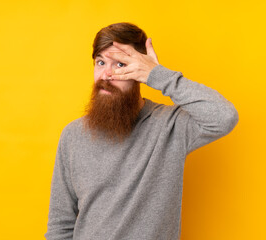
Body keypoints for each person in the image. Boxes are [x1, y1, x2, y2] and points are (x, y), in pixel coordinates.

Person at [45, 22, 239, 240]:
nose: (106, 74)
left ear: (140, 70)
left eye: (120, 64)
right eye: (100, 62)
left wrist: (158, 75)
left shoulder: (170, 126)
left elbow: (224, 116)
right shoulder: (73, 135)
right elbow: (60, 225)